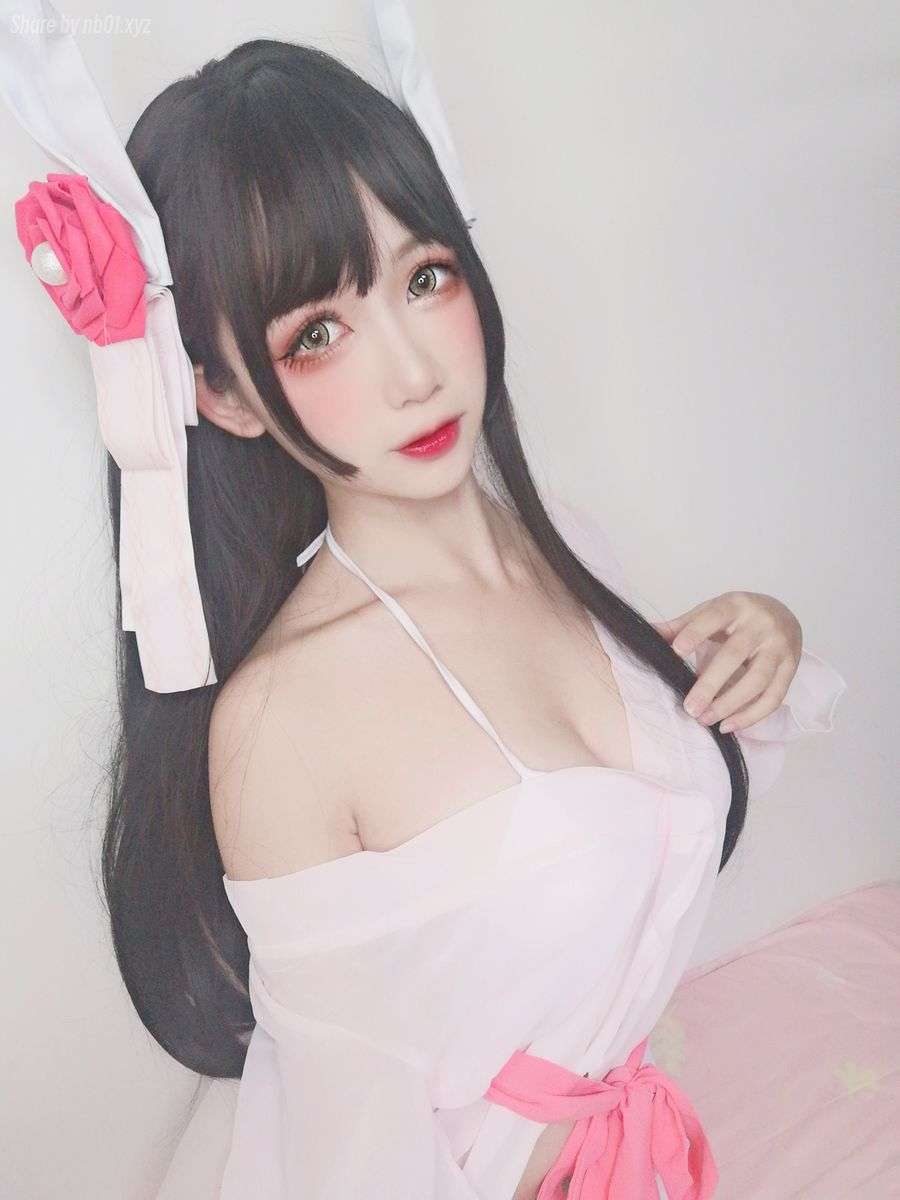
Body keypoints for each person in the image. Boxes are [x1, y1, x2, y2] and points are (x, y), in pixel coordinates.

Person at [12, 31, 847, 1200]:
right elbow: (351, 1159)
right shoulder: (283, 724)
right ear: (223, 394)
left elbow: (632, 825)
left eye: (424, 279)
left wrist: (756, 642)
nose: (413, 371)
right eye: (317, 332)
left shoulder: (562, 547)